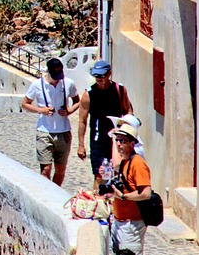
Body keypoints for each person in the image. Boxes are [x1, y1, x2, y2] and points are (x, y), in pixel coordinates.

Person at [22, 57, 81, 186]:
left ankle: (55, 192)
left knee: (60, 169)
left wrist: (69, 111)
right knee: (46, 169)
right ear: (48, 71)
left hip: (63, 131)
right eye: (55, 76)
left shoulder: (68, 83)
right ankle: (45, 193)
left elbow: (78, 101)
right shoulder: (37, 85)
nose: (57, 79)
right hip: (44, 132)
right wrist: (40, 110)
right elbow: (25, 104)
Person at [77, 59, 133, 190]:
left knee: (118, 173)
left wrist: (126, 127)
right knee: (99, 175)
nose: (99, 79)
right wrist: (81, 145)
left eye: (102, 76)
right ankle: (99, 205)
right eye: (97, 76)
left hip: (118, 140)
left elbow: (128, 110)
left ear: (109, 74)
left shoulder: (120, 89)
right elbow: (82, 121)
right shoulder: (89, 94)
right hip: (98, 141)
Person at [107, 124, 153, 255]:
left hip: (132, 224)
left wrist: (124, 197)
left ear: (132, 143)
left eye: (123, 141)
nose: (119, 144)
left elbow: (146, 193)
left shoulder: (137, 164)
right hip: (121, 222)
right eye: (117, 141)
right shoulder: (124, 163)